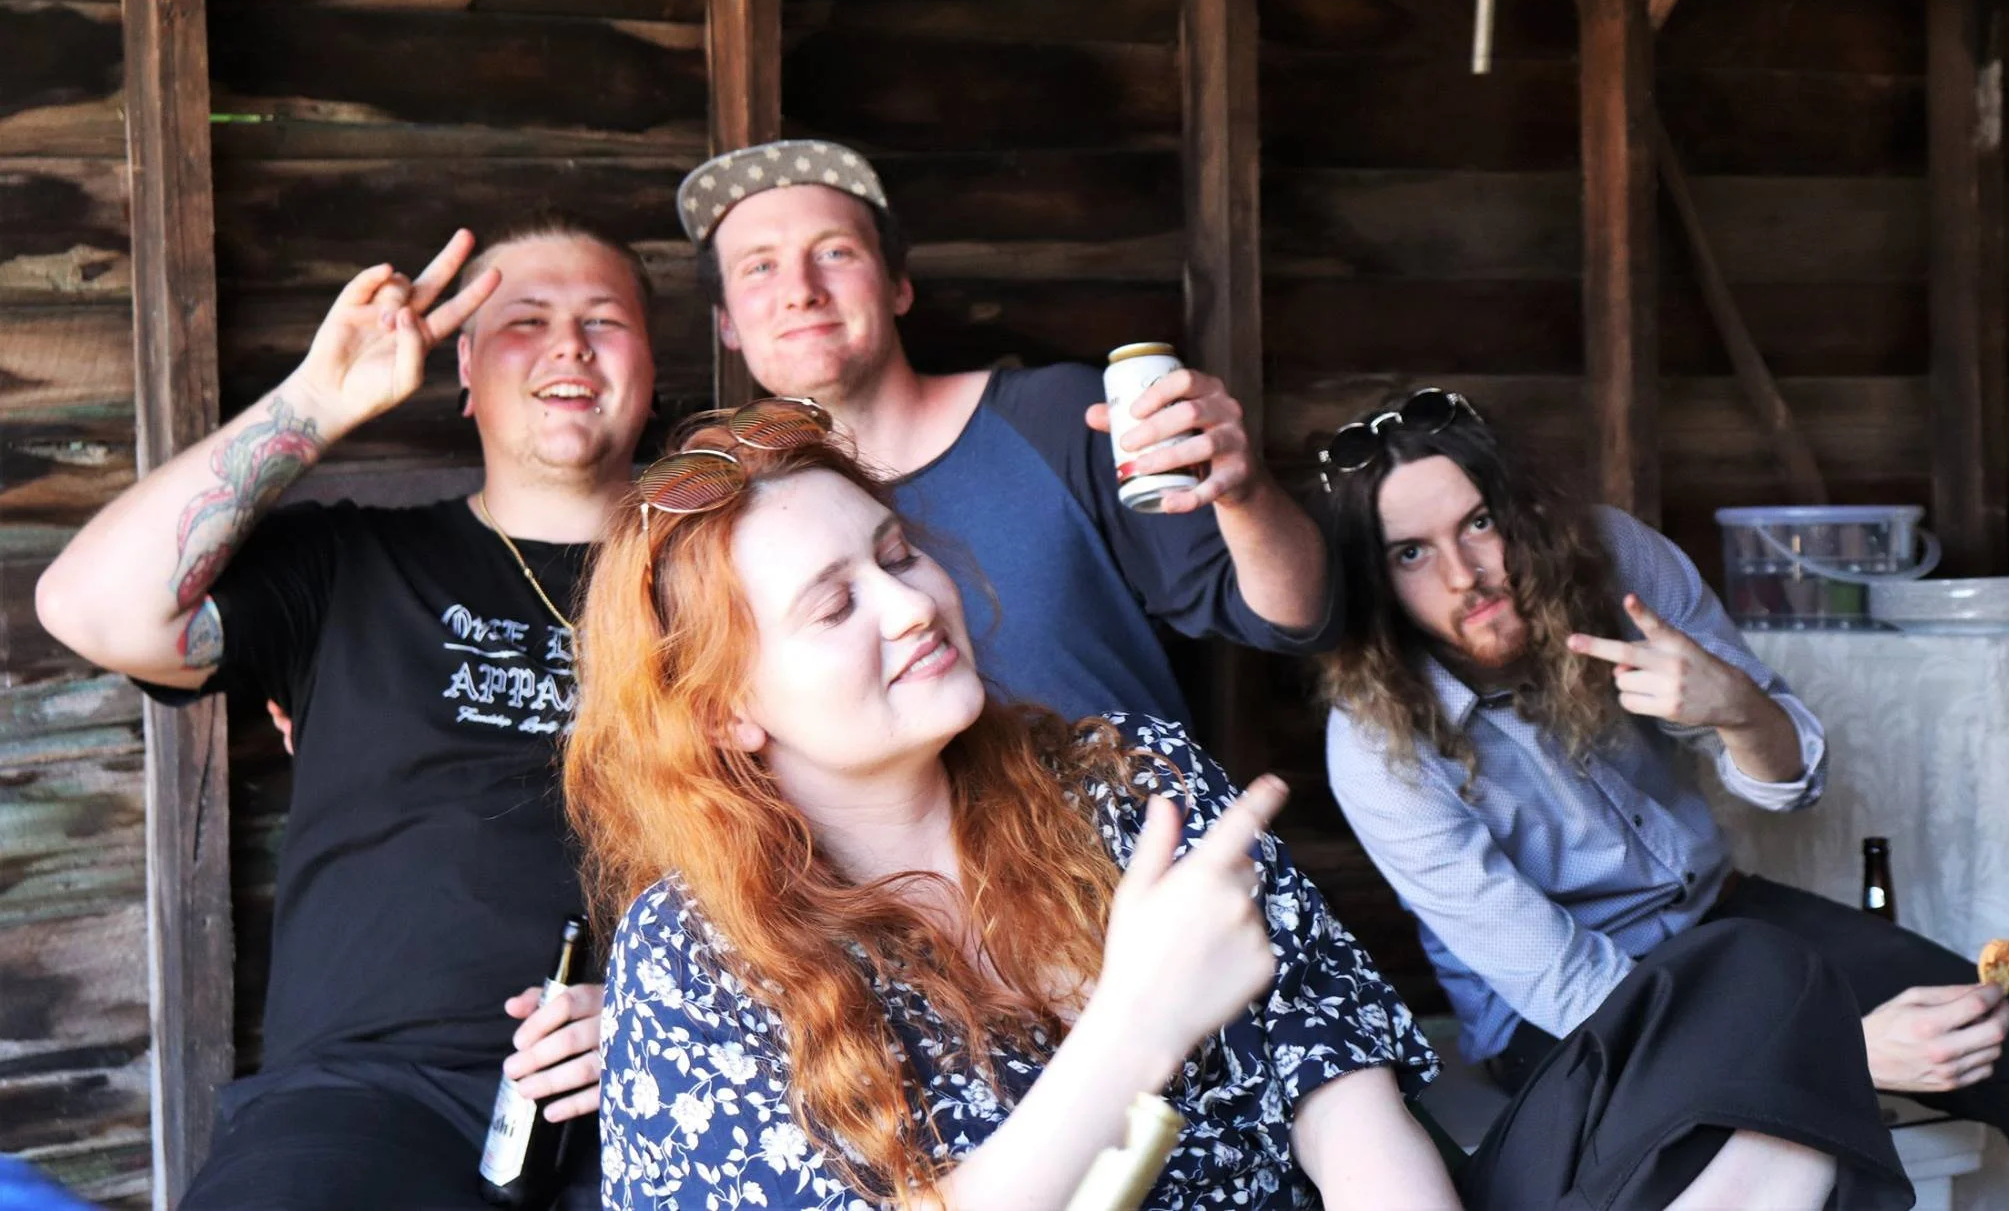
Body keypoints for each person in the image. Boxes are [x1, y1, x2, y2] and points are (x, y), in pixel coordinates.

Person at [563, 406, 1913, 1210]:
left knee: (1751, 981)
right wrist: (1138, 1017)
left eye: (900, 553)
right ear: (727, 707)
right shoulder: (698, 956)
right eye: (835, 602)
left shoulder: (1124, 780)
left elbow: (1348, 1102)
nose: (915, 604)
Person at [34, 217, 660, 1208]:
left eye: (604, 320)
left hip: (662, 1076)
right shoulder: (350, 565)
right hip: (368, 1100)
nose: (568, 344)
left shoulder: (733, 586)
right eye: (524, 321)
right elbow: (89, 608)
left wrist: (670, 1017)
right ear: (462, 368)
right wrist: (318, 401)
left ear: (651, 364)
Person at [1318, 386, 2009, 1204]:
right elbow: (1566, 986)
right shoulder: (1376, 748)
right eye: (1410, 553)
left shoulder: (1617, 558)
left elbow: (1794, 783)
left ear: (1524, 509)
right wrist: (1831, 1050)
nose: (1464, 576)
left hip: (1726, 919)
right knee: (1808, 1134)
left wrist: (1734, 706)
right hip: (1563, 1019)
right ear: (1375, 582)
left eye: (1479, 522)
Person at [675, 140, 1333, 730]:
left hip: (1144, 858)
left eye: (835, 252)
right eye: (759, 267)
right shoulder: (733, 512)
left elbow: (1292, 618)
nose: (801, 291)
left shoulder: (1060, 416)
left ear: (899, 285)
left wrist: (1244, 493)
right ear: (726, 322)